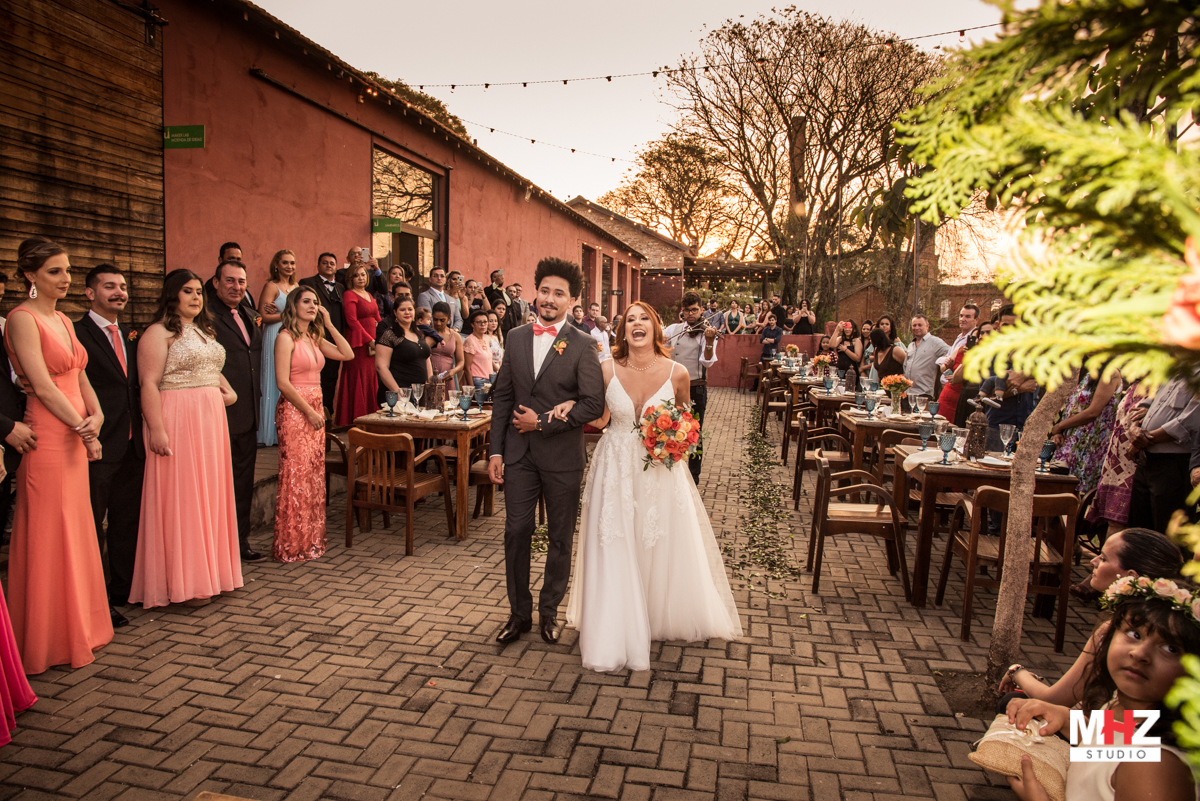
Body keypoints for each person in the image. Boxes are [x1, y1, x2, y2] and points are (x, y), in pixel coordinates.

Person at [564, 301, 742, 672]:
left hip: (659, 467)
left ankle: (655, 612)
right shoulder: (605, 369)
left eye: (644, 317)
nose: (637, 324)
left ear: (657, 327)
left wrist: (675, 439)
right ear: (622, 330)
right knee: (616, 539)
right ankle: (616, 616)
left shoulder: (678, 373)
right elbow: (598, 418)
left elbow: (689, 424)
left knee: (656, 538)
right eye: (630, 319)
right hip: (614, 465)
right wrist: (568, 405)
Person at [5, 238, 112, 674]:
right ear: (31, 275)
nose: (66, 278)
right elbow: (43, 385)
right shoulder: (22, 319)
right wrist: (82, 430)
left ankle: (79, 629)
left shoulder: (66, 320)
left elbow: (79, 376)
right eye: (55, 271)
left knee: (77, 527)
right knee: (49, 532)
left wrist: (99, 416)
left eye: (68, 270)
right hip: (48, 435)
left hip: (76, 427)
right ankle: (43, 639)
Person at [487, 257, 605, 647]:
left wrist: (541, 423)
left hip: (562, 459)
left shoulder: (584, 344)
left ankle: (550, 613)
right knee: (517, 531)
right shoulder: (516, 337)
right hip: (518, 456)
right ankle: (518, 614)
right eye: (544, 291)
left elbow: (591, 404)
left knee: (559, 538)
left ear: (573, 300)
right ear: (535, 292)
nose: (549, 299)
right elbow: (503, 397)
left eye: (559, 293)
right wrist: (496, 452)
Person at [1003, 586, 1199, 801]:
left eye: (1170, 648)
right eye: (1134, 634)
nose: (1140, 653)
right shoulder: (1127, 704)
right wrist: (1065, 717)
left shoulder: (1153, 767)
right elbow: (1113, 741)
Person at [131, 269, 244, 607]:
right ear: (172, 296)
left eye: (198, 292)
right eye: (187, 291)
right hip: (177, 418)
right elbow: (148, 383)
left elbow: (212, 369)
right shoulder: (157, 332)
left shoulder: (203, 330)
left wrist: (227, 394)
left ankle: (213, 574)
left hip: (209, 421)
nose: (196, 297)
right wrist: (157, 428)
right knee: (184, 494)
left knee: (209, 494)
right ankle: (186, 583)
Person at [999, 528, 1184, 707]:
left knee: (1012, 702)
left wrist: (1017, 672)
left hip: (1120, 730)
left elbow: (1054, 700)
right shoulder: (1176, 623)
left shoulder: (1118, 628)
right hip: (1124, 725)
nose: (1092, 561)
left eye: (1103, 558)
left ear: (1129, 578)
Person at [75, 264, 144, 629]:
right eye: (109, 287)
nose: (119, 292)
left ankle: (122, 588)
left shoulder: (132, 334)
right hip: (97, 443)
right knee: (91, 523)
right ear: (90, 293)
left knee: (126, 520)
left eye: (122, 287)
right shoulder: (76, 333)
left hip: (133, 442)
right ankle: (96, 600)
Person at [272, 287, 353, 563]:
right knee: (295, 475)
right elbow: (282, 382)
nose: (312, 305)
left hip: (316, 408)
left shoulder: (314, 336)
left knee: (313, 475)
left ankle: (310, 541)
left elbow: (347, 354)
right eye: (306, 301)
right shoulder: (285, 338)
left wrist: (329, 323)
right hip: (296, 411)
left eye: (315, 302)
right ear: (293, 305)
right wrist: (307, 411)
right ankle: (291, 543)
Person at [208, 260, 266, 562]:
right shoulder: (206, 316)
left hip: (249, 411)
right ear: (216, 283)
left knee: (243, 482)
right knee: (220, 483)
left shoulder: (249, 314)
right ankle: (217, 545)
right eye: (230, 281)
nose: (237, 287)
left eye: (241, 282)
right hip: (221, 412)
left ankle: (240, 542)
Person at [1126, 374, 1200, 534]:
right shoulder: (1174, 372)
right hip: (1147, 461)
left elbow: (1189, 421)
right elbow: (1142, 408)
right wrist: (1134, 429)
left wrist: (1142, 441)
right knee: (1139, 531)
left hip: (1174, 464)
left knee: (1168, 534)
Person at [663, 292, 718, 485]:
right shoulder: (674, 329)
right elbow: (661, 343)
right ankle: (671, 471)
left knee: (694, 434)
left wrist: (710, 342)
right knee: (669, 429)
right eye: (687, 310)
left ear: (702, 309)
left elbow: (708, 362)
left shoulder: (706, 331)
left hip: (696, 389)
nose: (691, 314)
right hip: (673, 390)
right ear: (683, 312)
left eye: (694, 310)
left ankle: (694, 477)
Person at [1051, 369, 1123, 496]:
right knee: (1056, 487)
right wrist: (1059, 431)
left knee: (1074, 491)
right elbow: (1072, 406)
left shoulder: (1110, 373)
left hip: (1089, 442)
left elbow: (1093, 412)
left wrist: (1060, 426)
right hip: (1071, 439)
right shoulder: (1089, 372)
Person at [1093, 383, 1148, 535]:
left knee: (1120, 522)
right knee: (1108, 520)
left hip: (1133, 462)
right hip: (1115, 462)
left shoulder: (1159, 387)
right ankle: (1105, 557)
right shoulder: (1134, 386)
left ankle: (1110, 558)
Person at [257, 249, 298, 446]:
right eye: (285, 263)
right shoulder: (271, 286)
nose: (289, 266)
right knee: (274, 379)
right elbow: (261, 317)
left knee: (290, 378)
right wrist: (287, 315)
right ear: (276, 265)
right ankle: (271, 431)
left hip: (292, 336)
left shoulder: (296, 286)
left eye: (292, 263)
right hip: (274, 334)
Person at [298, 252, 345, 415]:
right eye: (325, 263)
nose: (328, 265)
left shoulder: (340, 287)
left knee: (331, 379)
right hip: (314, 336)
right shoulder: (307, 283)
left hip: (334, 338)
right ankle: (312, 412)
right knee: (315, 376)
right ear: (318, 266)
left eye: (332, 263)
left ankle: (328, 414)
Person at [336, 263, 381, 426]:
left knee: (371, 376)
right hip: (359, 342)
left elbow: (378, 317)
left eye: (363, 274)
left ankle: (371, 414)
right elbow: (352, 321)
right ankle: (355, 417)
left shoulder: (369, 294)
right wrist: (369, 340)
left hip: (374, 341)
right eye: (356, 275)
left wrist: (383, 336)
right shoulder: (349, 294)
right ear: (350, 278)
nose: (360, 278)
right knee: (358, 376)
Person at [376, 298, 432, 400]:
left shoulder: (419, 333)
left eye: (410, 309)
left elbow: (426, 359)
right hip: (399, 395)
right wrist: (398, 393)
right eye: (402, 310)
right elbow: (381, 367)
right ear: (395, 313)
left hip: (420, 394)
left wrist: (430, 385)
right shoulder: (389, 334)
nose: (407, 312)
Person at [936, 323, 991, 421]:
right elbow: (944, 369)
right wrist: (947, 366)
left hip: (965, 395)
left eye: (988, 333)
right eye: (974, 338)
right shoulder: (960, 350)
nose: (981, 338)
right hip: (949, 392)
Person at [902, 314, 949, 400]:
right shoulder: (910, 345)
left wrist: (943, 364)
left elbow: (951, 353)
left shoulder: (935, 342)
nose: (916, 328)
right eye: (914, 325)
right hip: (907, 393)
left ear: (927, 326)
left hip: (923, 393)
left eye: (920, 325)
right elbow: (905, 367)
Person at [203, 242, 257, 312]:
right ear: (220, 260)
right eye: (231, 259)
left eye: (238, 259)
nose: (234, 262)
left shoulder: (240, 283)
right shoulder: (212, 286)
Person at [428, 302, 465, 387]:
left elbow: (461, 361)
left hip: (448, 376)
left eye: (442, 320)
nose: (438, 323)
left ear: (449, 318)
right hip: (430, 376)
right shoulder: (427, 333)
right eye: (435, 319)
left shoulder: (455, 336)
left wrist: (454, 371)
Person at [462, 309, 498, 385]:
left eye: (485, 322)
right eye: (479, 322)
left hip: (490, 380)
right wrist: (472, 389)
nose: (482, 324)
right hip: (478, 380)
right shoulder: (469, 341)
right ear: (472, 324)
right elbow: (467, 368)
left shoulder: (486, 339)